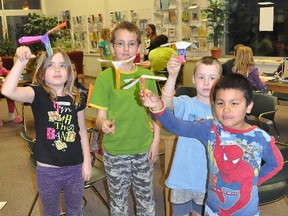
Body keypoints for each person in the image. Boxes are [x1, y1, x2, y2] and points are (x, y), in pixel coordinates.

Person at [140, 73, 284, 216]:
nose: (226, 109)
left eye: (234, 103)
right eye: (220, 103)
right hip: (213, 209)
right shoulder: (210, 129)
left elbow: (276, 163)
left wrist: (254, 181)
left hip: (246, 212)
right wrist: (158, 106)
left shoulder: (260, 137)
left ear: (249, 106)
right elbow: (178, 126)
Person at [1, 46, 92, 215]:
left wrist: (87, 161)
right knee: (51, 212)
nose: (57, 69)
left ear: (69, 72)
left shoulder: (77, 96)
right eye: (50, 65)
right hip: (48, 170)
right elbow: (7, 90)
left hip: (75, 167)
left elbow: (81, 131)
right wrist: (21, 62)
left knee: (75, 211)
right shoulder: (37, 94)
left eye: (62, 65)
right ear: (41, 73)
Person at [88, 21, 160, 216]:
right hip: (115, 151)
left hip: (143, 148)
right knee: (119, 204)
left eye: (131, 44)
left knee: (146, 201)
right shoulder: (105, 78)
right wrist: (103, 124)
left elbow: (156, 113)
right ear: (112, 47)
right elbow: (99, 118)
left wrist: (156, 142)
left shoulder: (147, 76)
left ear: (138, 47)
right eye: (120, 44)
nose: (126, 49)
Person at [162, 55, 222, 216]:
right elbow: (166, 104)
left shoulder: (223, 110)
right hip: (183, 177)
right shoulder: (186, 103)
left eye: (212, 78)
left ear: (220, 80)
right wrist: (172, 76)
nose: (207, 83)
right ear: (194, 79)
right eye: (201, 77)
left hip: (209, 180)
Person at [0, 56, 23, 126]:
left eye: (0, 62)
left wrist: (9, 74)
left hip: (3, 88)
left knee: (10, 97)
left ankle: (12, 115)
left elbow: (8, 73)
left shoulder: (2, 69)